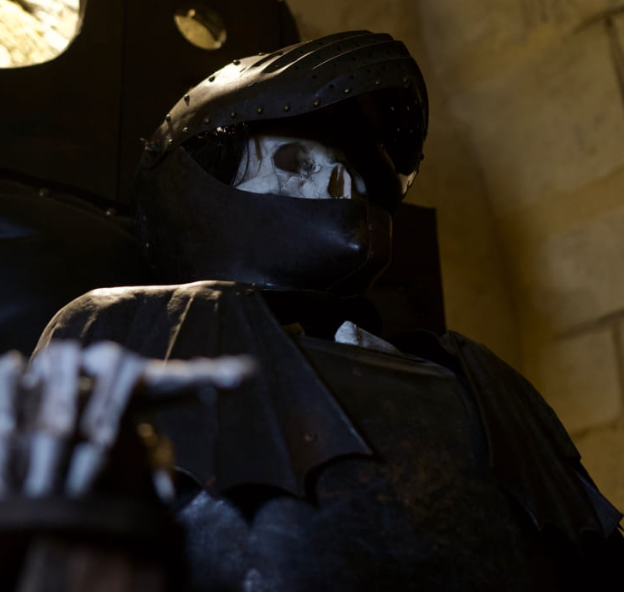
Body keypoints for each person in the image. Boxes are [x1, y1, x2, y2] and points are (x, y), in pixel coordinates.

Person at [30, 31, 624, 591]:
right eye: (295, 162)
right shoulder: (136, 327)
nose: (344, 187)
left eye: (356, 174)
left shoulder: (484, 379)